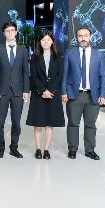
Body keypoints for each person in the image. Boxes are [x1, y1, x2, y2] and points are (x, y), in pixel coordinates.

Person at [61, 26, 105, 160]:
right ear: (77, 38)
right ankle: (72, 149)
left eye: (85, 35)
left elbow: (103, 76)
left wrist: (102, 94)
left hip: (93, 95)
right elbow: (65, 74)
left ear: (90, 37)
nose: (83, 38)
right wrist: (63, 92)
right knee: (73, 123)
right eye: (80, 36)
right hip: (73, 94)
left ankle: (90, 150)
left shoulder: (99, 55)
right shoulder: (70, 53)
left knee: (90, 124)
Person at [0, 20, 30, 158]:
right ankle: (0, 148)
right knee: (0, 122)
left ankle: (14, 148)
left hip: (18, 91)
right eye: (7, 31)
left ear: (16, 32)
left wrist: (26, 90)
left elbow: (25, 72)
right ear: (4, 33)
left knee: (16, 122)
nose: (10, 33)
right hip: (2, 90)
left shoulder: (23, 50)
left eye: (12, 30)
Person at [26, 30, 65, 159]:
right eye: (43, 40)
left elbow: (60, 75)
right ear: (40, 42)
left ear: (52, 41)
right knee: (38, 123)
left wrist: (50, 91)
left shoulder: (59, 56)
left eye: (48, 39)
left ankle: (46, 149)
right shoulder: (34, 57)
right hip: (39, 94)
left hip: (53, 94)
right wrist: (43, 91)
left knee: (49, 123)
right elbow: (34, 76)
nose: (46, 42)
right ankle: (38, 149)